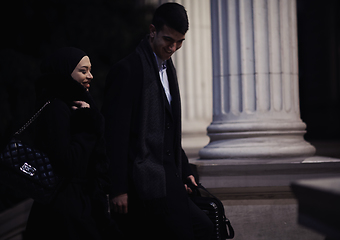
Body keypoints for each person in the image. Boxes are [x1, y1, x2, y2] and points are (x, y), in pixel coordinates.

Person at [102, 3, 213, 240]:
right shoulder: (128, 70)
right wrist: (118, 188)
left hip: (168, 177)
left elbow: (169, 128)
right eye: (168, 39)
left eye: (180, 41)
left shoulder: (167, 69)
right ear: (152, 30)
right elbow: (115, 135)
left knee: (204, 227)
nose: (173, 47)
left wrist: (184, 170)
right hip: (143, 182)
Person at [24, 47, 121, 240]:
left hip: (76, 203)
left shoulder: (70, 105)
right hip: (65, 211)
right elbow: (67, 162)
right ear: (65, 71)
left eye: (90, 70)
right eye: (83, 71)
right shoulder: (57, 109)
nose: (90, 76)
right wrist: (87, 124)